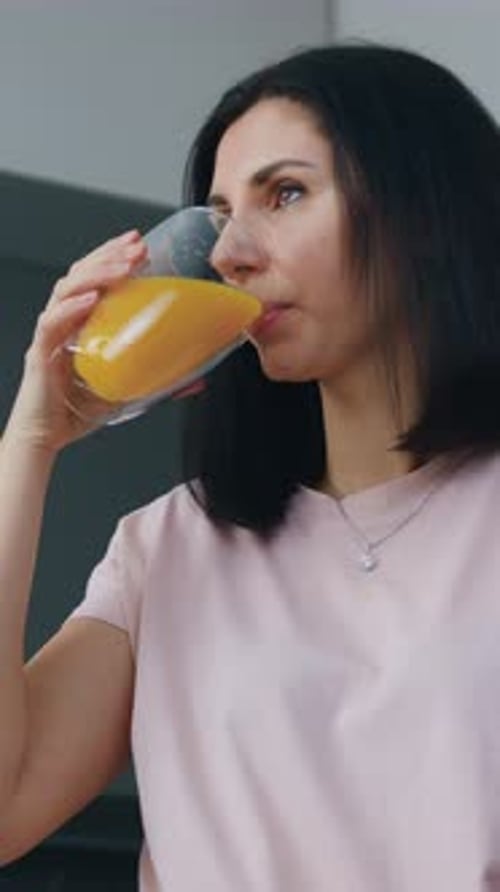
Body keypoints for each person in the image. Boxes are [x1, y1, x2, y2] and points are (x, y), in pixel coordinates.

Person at [1, 40, 500, 892]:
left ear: (425, 212)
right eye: (222, 213)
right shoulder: (169, 548)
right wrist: (27, 448)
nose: (230, 252)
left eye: (287, 193)